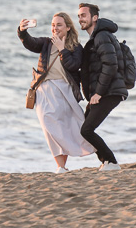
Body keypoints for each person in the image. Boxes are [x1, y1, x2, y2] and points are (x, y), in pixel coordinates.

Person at [18, 12, 95, 173]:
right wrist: (22, 31)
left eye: (59, 25)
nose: (55, 28)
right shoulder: (46, 43)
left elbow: (73, 66)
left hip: (64, 90)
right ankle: (60, 165)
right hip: (44, 90)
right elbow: (31, 43)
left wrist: (62, 49)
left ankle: (62, 166)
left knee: (63, 127)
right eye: (53, 25)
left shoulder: (76, 47)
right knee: (49, 126)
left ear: (68, 27)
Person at [76, 2, 128, 172]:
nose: (80, 19)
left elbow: (110, 65)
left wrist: (98, 93)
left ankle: (112, 162)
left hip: (109, 92)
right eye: (78, 16)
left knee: (87, 129)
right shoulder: (96, 37)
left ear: (94, 18)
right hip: (106, 91)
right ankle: (106, 161)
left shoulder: (102, 36)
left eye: (84, 15)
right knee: (86, 127)